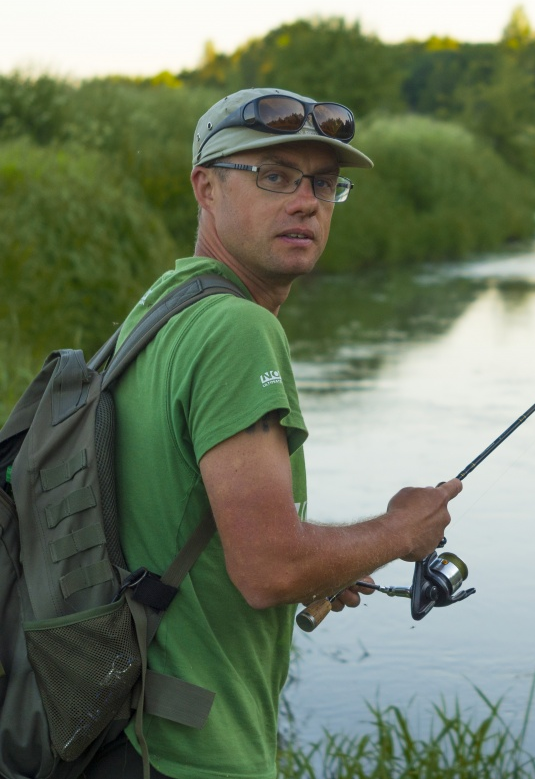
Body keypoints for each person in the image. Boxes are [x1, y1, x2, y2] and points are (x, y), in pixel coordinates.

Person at [83, 87, 462, 778]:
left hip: (121, 734)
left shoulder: (163, 308)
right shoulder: (237, 328)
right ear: (206, 187)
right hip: (187, 756)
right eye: (274, 176)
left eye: (322, 183)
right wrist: (401, 531)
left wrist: (340, 557)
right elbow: (269, 568)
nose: (306, 202)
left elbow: (203, 536)